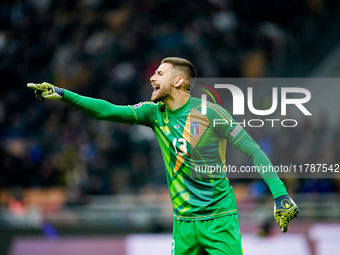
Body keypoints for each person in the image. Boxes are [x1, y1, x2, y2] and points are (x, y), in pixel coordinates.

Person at [27, 57, 298, 255]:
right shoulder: (153, 113)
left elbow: (253, 150)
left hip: (219, 219)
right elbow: (108, 111)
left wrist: (280, 194)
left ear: (177, 81)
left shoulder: (210, 113)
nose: (151, 78)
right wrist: (64, 94)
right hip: (182, 224)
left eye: (159, 73)